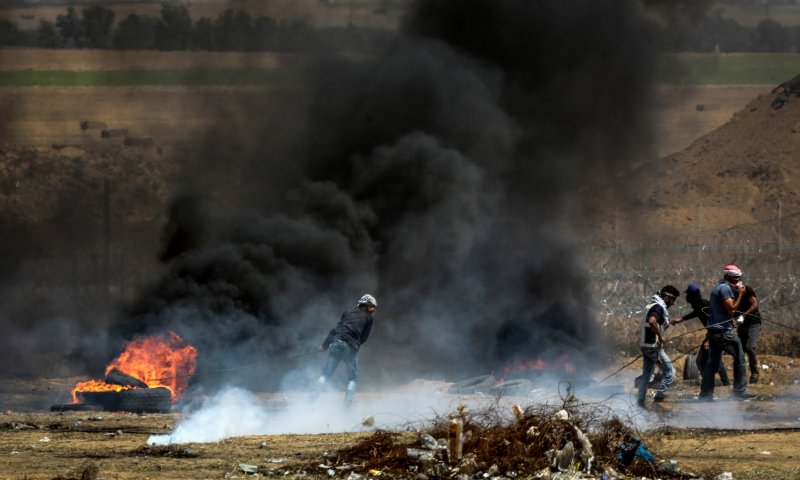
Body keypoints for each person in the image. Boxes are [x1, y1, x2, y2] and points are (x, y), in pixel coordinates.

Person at [700, 265, 756, 401]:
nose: (737, 281)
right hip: (724, 333)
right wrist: (741, 294)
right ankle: (740, 392)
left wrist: (730, 320)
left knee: (712, 363)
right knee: (740, 358)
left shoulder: (718, 287)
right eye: (735, 279)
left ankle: (705, 395)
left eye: (738, 278)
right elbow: (731, 308)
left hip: (713, 332)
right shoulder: (725, 289)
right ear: (727, 277)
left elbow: (723, 311)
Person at [312, 294, 376, 406]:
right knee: (352, 378)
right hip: (350, 348)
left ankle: (311, 400)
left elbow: (334, 330)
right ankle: (347, 405)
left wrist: (324, 346)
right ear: (366, 306)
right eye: (371, 307)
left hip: (336, 344)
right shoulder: (369, 318)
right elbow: (364, 338)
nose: (372, 310)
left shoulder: (347, 313)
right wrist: (354, 344)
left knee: (326, 375)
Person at [673, 283, 730, 386]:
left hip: (717, 333)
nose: (686, 296)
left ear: (692, 295)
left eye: (687, 294)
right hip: (712, 334)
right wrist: (682, 319)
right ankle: (709, 383)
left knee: (713, 360)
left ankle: (725, 384)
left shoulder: (704, 305)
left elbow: (714, 322)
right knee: (700, 361)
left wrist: (708, 339)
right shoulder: (698, 304)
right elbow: (696, 313)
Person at [637, 285, 679, 408]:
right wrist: (660, 335)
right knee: (670, 373)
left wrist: (666, 324)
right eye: (673, 300)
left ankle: (640, 401)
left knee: (647, 374)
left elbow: (653, 321)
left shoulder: (650, 305)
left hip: (645, 345)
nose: (673, 303)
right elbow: (652, 321)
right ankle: (659, 399)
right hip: (653, 347)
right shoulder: (658, 307)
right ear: (666, 298)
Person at [734, 282, 762, 384]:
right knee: (739, 350)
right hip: (741, 325)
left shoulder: (746, 290)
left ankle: (755, 372)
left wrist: (743, 316)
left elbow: (754, 305)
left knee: (750, 347)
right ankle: (740, 376)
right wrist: (733, 320)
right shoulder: (729, 292)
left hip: (753, 323)